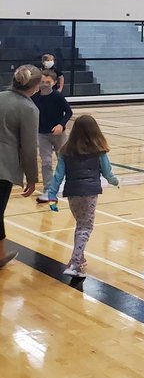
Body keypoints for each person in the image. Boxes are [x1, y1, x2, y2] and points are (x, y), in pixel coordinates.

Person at [47, 114, 119, 279]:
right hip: (89, 193)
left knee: (81, 225)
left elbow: (58, 176)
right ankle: (74, 263)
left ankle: (80, 257)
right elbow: (108, 172)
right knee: (86, 227)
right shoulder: (99, 151)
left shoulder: (66, 152)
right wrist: (114, 181)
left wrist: (52, 194)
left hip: (72, 193)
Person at [0, 65, 41, 269]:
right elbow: (29, 148)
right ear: (35, 86)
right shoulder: (29, 108)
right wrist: (32, 178)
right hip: (3, 167)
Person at [33, 70, 73, 207]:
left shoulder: (57, 97)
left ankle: (72, 184)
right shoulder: (35, 98)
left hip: (58, 134)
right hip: (42, 134)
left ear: (54, 83)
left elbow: (69, 111)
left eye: (48, 82)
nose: (45, 84)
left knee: (64, 159)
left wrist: (61, 125)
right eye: (42, 82)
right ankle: (48, 189)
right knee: (46, 162)